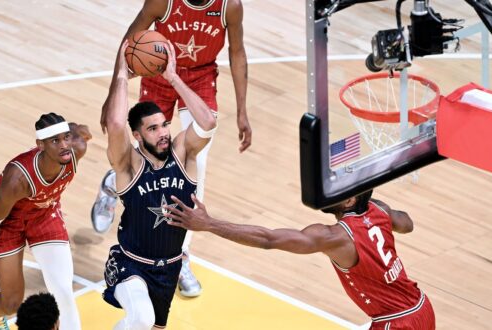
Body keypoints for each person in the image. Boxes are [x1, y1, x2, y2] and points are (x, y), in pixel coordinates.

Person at [93, 0, 251, 297]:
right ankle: (113, 183)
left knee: (196, 164)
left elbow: (237, 52)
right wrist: (112, 93)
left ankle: (182, 256)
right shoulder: (162, 2)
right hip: (158, 74)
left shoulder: (230, 6)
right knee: (146, 160)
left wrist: (242, 109)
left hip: (201, 77)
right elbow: (129, 42)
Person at [165, 190, 436, 329]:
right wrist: (375, 202)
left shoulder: (334, 236)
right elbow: (407, 224)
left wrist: (209, 224)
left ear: (349, 200)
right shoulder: (379, 208)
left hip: (396, 322)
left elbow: (268, 239)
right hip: (422, 307)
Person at [101, 40, 216, 329]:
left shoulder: (182, 152)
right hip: (131, 264)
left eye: (164, 124)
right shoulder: (129, 163)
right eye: (153, 129)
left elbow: (208, 123)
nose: (163, 133)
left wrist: (173, 78)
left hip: (169, 269)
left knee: (149, 325)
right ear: (138, 137)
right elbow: (115, 125)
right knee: (141, 318)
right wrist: (122, 76)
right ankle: (108, 187)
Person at [0, 113, 91, 330]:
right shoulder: (18, 179)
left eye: (66, 138)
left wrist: (80, 131)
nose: (64, 146)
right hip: (10, 222)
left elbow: (79, 130)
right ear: (40, 145)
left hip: (44, 215)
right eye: (55, 141)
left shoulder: (76, 148)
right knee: (11, 303)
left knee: (62, 288)